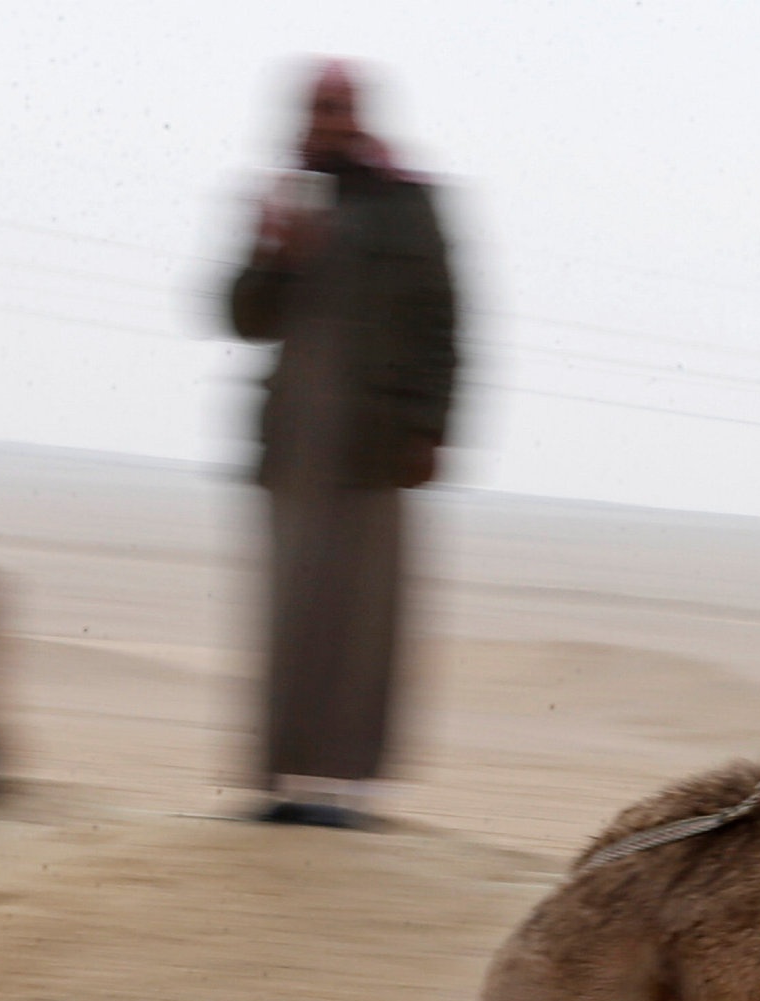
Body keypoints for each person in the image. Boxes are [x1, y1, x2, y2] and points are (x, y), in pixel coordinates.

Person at [222, 59, 460, 829]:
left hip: (373, 447)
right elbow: (243, 319)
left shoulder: (409, 204)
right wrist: (273, 253)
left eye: (337, 108)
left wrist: (432, 427)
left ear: (358, 116)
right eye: (314, 109)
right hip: (295, 444)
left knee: (363, 624)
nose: (324, 122)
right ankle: (282, 783)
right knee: (290, 619)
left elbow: (445, 320)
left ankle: (347, 788)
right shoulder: (284, 198)